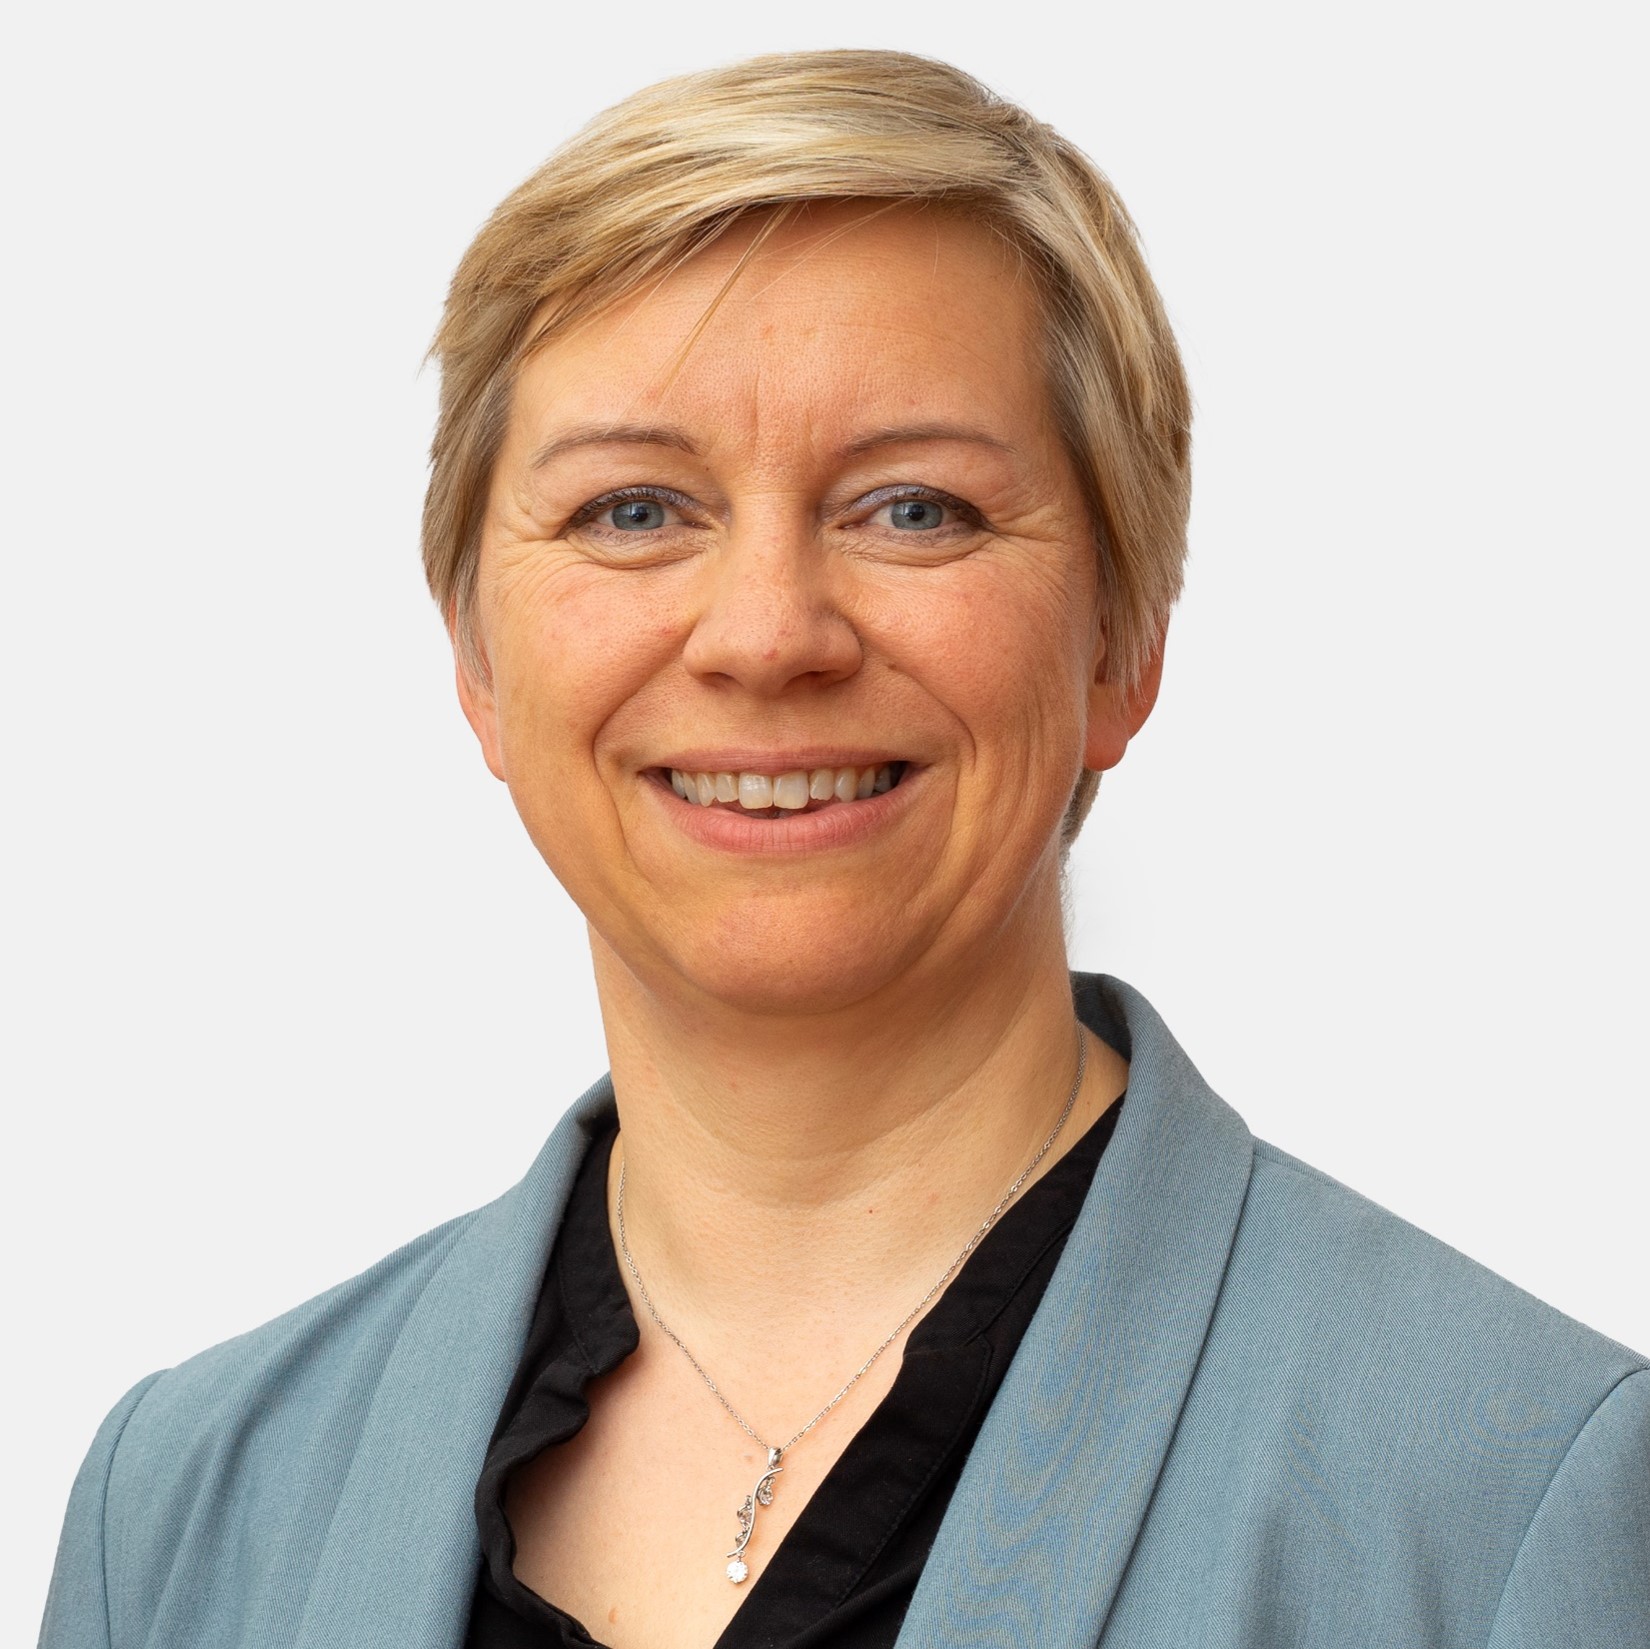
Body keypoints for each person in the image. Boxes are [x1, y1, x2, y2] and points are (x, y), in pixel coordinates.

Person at [39, 48, 1648, 1649]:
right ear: (475, 658)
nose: (765, 635)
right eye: (632, 510)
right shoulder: (178, 1513)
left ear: (1121, 641)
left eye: (913, 509)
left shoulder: (1508, 1495)